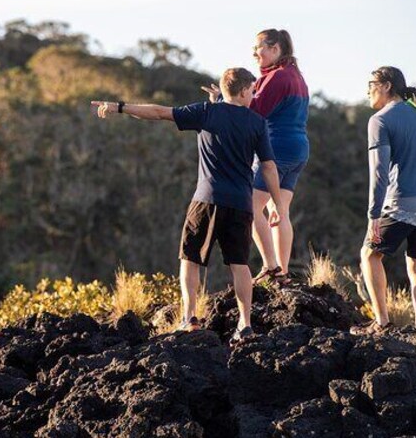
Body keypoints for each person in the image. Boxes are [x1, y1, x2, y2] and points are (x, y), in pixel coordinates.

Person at [92, 67, 283, 343]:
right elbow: (269, 168)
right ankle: (245, 325)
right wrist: (276, 204)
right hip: (241, 204)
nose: (253, 95)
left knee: (190, 258)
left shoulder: (206, 112)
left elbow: (158, 113)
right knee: (240, 264)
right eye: (252, 90)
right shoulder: (257, 123)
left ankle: (190, 318)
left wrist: (119, 107)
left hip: (206, 199)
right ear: (242, 91)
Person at [203, 29, 309, 285]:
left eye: (258, 47)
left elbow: (253, 112)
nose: (254, 53)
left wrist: (221, 100)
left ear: (274, 49)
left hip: (276, 149)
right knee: (279, 209)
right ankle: (282, 272)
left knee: (249, 205)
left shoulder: (277, 77)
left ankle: (271, 267)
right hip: (299, 149)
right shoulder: (296, 76)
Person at [351, 66, 416, 335]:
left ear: (385, 85)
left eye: (371, 83)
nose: (367, 90)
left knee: (369, 254)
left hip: (405, 200)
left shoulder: (379, 120)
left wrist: (373, 215)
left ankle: (381, 322)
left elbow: (379, 172)